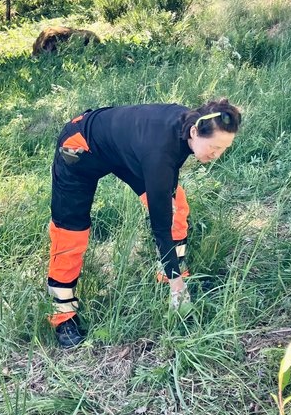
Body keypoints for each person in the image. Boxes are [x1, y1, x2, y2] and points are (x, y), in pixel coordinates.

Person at [46, 99, 242, 348]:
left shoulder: (187, 126)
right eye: (214, 147)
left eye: (224, 148)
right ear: (195, 131)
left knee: (176, 207)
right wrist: (177, 288)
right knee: (70, 233)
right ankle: (63, 315)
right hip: (80, 148)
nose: (217, 155)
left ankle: (170, 274)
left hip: (122, 151)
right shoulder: (160, 151)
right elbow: (160, 225)